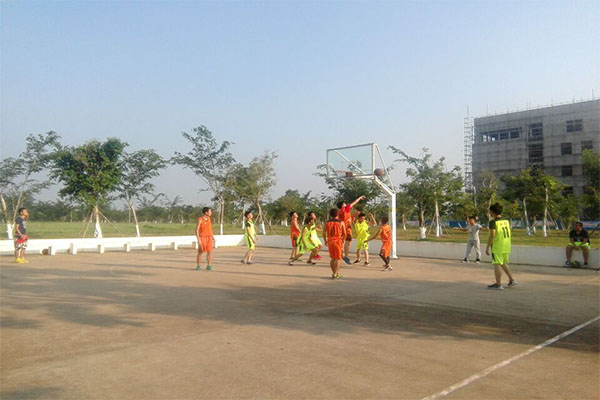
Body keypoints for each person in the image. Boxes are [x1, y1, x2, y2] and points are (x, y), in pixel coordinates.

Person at [485, 203, 517, 290]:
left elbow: (492, 235)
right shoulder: (506, 221)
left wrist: (487, 247)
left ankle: (498, 284)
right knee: (502, 263)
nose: (489, 213)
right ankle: (512, 280)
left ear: (493, 212)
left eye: (490, 211)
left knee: (496, 264)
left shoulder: (493, 222)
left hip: (497, 246)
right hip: (506, 245)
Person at [337, 195, 366, 264]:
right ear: (342, 205)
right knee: (348, 242)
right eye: (344, 203)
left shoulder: (340, 212)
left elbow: (348, 218)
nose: (346, 204)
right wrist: (360, 198)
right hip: (347, 228)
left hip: (341, 227)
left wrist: (354, 215)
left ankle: (340, 255)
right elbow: (354, 202)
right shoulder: (345, 208)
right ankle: (346, 256)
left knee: (343, 242)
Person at [323, 208, 346, 279]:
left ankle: (334, 273)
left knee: (333, 258)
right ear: (337, 214)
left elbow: (323, 232)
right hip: (338, 240)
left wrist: (325, 241)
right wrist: (343, 240)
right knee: (338, 258)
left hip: (330, 240)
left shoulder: (327, 222)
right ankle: (336, 273)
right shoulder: (341, 222)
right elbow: (344, 233)